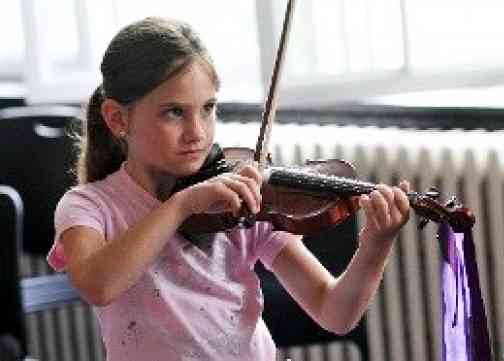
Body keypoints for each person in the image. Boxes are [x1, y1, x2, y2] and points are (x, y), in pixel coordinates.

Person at [46, 16, 410, 361]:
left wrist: (375, 244)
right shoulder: (89, 206)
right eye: (174, 112)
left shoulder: (241, 201)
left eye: (207, 108)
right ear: (117, 118)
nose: (197, 132)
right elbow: (98, 285)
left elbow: (335, 313)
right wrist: (181, 206)